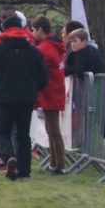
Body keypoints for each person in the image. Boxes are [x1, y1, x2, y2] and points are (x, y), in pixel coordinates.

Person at [0, 14, 47, 180]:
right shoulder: (33, 50)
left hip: (4, 97)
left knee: (3, 130)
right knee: (23, 134)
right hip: (26, 98)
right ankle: (24, 170)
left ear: (4, 29)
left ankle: (9, 157)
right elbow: (43, 77)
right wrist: (34, 90)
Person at [30, 16, 67, 174]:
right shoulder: (55, 45)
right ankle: (54, 163)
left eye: (33, 30)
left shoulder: (44, 49)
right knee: (51, 130)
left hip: (49, 93)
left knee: (54, 130)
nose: (32, 33)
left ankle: (59, 165)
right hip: (55, 91)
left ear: (40, 29)